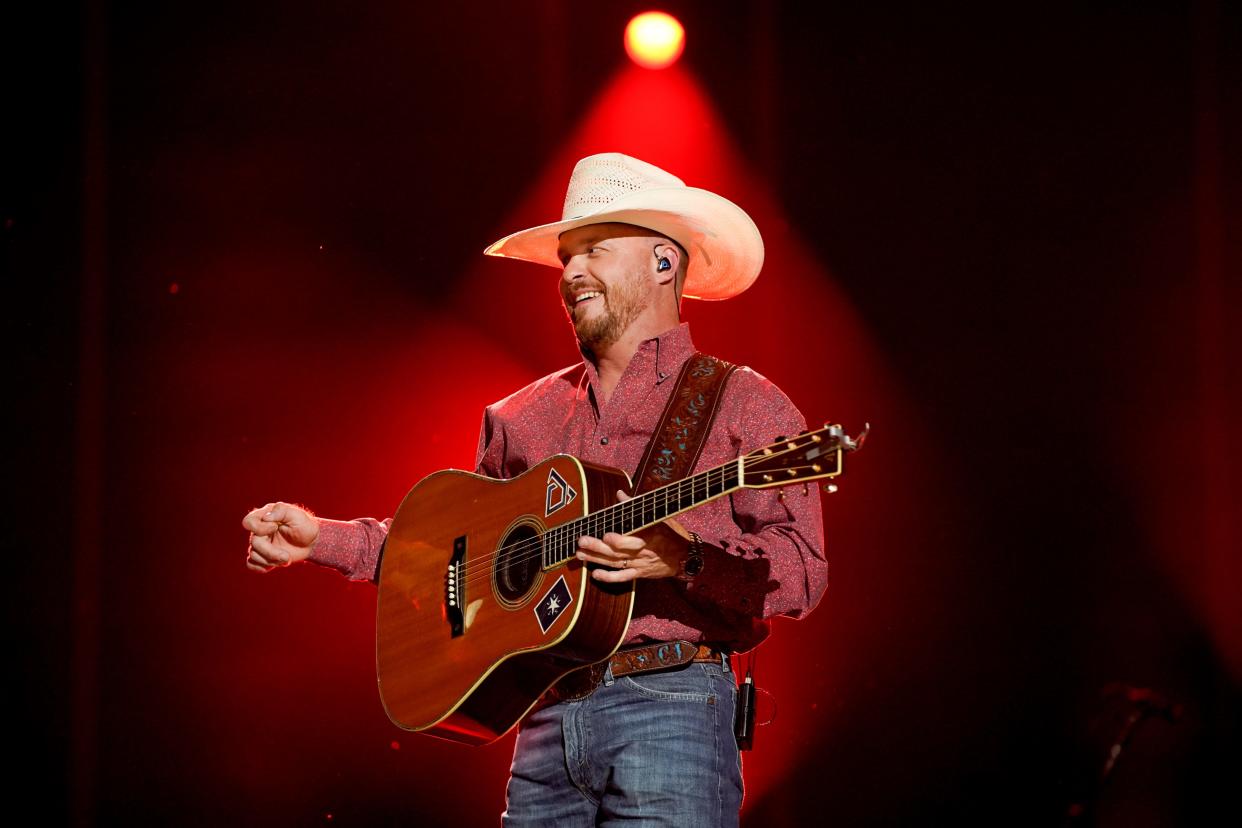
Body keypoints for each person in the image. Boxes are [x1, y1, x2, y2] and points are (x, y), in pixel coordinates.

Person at [242, 152, 827, 827]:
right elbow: (454, 559)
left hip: (674, 709)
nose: (571, 272)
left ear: (665, 263)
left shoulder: (744, 404)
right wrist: (325, 540)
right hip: (545, 722)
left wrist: (686, 557)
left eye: (596, 251)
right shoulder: (520, 418)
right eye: (566, 256)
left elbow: (802, 573)